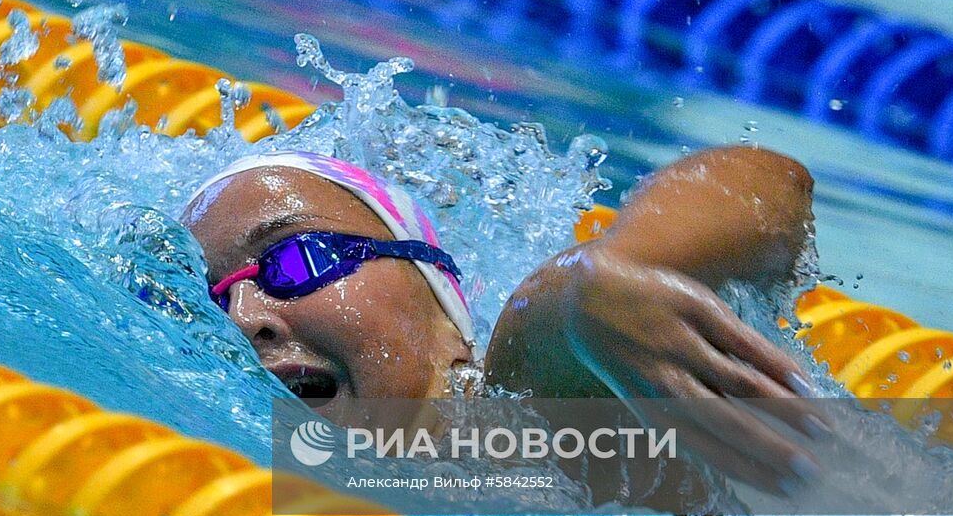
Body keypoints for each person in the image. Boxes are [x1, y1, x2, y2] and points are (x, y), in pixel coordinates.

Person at [182, 145, 827, 497]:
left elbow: (771, 183)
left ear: (443, 308)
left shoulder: (509, 424)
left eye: (300, 258)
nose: (245, 317)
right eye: (216, 298)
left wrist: (591, 287)